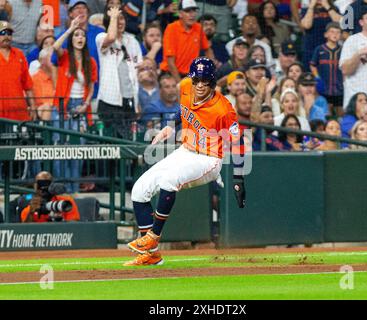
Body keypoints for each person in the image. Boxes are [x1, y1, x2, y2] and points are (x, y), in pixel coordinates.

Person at [123, 57, 246, 266]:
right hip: (186, 150)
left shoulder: (223, 108)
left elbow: (238, 140)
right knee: (139, 190)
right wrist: (170, 126)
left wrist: (239, 177)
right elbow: (182, 111)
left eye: (204, 81)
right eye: (196, 79)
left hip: (209, 159)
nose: (199, 85)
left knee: (169, 180)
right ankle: (151, 255)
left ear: (212, 82)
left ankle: (152, 237)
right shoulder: (187, 88)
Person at [51, 16, 98, 193]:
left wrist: (85, 104)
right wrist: (70, 29)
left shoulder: (91, 62)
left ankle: (74, 189)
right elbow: (55, 47)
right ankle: (62, 190)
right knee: (60, 149)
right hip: (63, 105)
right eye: (76, 35)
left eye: (82, 35)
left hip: (81, 107)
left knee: (78, 150)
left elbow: (92, 87)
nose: (80, 38)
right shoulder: (64, 57)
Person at [96, 6, 142, 139]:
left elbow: (137, 71)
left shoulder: (132, 41)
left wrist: (136, 99)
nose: (119, 22)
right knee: (111, 144)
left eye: (121, 18)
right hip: (109, 101)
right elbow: (111, 37)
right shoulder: (101, 37)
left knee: (128, 142)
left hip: (129, 100)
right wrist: (114, 17)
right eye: (115, 19)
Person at [160, 0, 214, 82]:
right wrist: (180, 83)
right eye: (188, 11)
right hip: (170, 74)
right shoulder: (171, 29)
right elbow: (170, 62)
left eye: (194, 11)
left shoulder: (198, 28)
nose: (192, 15)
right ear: (180, 13)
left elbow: (208, 50)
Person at [0, 20, 36, 121]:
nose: (6, 36)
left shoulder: (19, 55)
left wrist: (33, 107)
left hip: (18, 110)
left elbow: (28, 85)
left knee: (19, 137)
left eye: (9, 33)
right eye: (2, 33)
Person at [310, 22, 344, 116]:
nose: (335, 34)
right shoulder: (319, 49)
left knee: (341, 113)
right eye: (332, 32)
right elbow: (313, 65)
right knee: (326, 112)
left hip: (339, 88)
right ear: (326, 34)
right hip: (324, 88)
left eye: (338, 32)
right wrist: (317, 78)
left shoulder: (343, 50)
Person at [300, 0, 342, 69]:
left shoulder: (334, 8)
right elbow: (306, 25)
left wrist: (327, 6)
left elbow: (340, 23)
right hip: (311, 49)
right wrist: (311, 6)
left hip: (330, 49)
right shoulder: (306, 10)